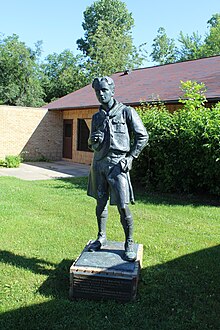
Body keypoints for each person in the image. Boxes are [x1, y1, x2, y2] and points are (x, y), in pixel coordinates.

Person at [87, 76, 148, 261]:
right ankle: (101, 236)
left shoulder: (126, 112)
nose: (101, 94)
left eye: (104, 90)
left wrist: (131, 157)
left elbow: (142, 136)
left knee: (123, 205)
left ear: (112, 91)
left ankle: (129, 241)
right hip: (99, 164)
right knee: (100, 203)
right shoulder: (96, 117)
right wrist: (93, 141)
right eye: (98, 91)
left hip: (117, 164)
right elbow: (91, 143)